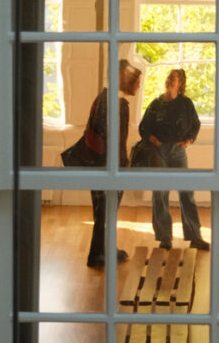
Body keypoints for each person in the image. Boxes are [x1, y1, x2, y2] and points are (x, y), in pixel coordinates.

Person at [138, 68, 209, 251]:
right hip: (159, 151)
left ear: (180, 83)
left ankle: (195, 236)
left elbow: (195, 124)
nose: (169, 80)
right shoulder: (156, 104)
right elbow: (143, 127)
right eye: (168, 77)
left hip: (178, 151)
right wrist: (151, 138)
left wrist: (189, 140)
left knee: (186, 192)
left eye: (173, 78)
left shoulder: (186, 104)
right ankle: (165, 238)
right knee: (160, 193)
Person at [85, 60, 142, 267]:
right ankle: (96, 255)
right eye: (134, 79)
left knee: (105, 211)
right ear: (122, 78)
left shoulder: (108, 99)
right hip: (105, 167)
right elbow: (110, 139)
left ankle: (105, 250)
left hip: (104, 165)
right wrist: (118, 169)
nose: (137, 84)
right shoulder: (112, 103)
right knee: (104, 212)